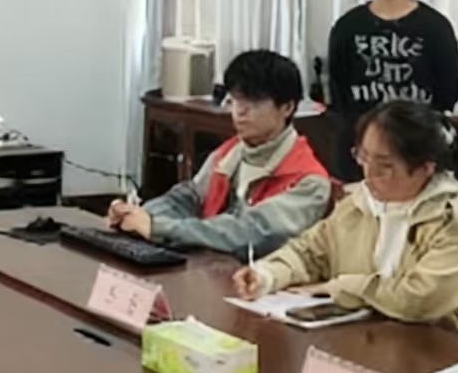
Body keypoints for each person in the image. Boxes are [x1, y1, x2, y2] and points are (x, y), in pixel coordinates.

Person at [232, 99, 458, 337]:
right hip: (368, 338)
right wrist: (268, 275)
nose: (369, 173)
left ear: (425, 168)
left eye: (385, 166)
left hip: (438, 346)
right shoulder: (358, 203)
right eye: (363, 157)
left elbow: (419, 299)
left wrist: (340, 287)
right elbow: (310, 252)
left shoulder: (455, 216)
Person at [108, 49, 332, 256]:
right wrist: (138, 215)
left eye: (253, 101)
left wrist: (158, 228)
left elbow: (250, 233)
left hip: (257, 279)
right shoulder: (229, 152)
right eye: (235, 99)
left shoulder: (309, 182)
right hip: (209, 268)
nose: (240, 110)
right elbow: (188, 197)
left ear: (287, 107)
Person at [326, 0, 458, 183]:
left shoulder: (435, 27)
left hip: (416, 150)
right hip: (359, 151)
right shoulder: (347, 27)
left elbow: (446, 93)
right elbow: (338, 90)